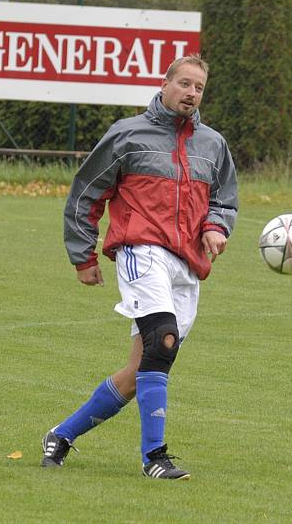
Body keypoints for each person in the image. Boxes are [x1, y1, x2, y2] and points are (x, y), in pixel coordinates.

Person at [41, 54, 238, 480]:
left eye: (198, 87)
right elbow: (86, 195)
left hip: (188, 264)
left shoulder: (213, 144)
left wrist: (216, 227)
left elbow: (224, 199)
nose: (191, 93)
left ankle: (62, 434)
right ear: (164, 84)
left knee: (141, 372)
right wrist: (83, 256)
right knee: (163, 341)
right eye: (184, 83)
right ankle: (155, 458)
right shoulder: (127, 135)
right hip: (140, 251)